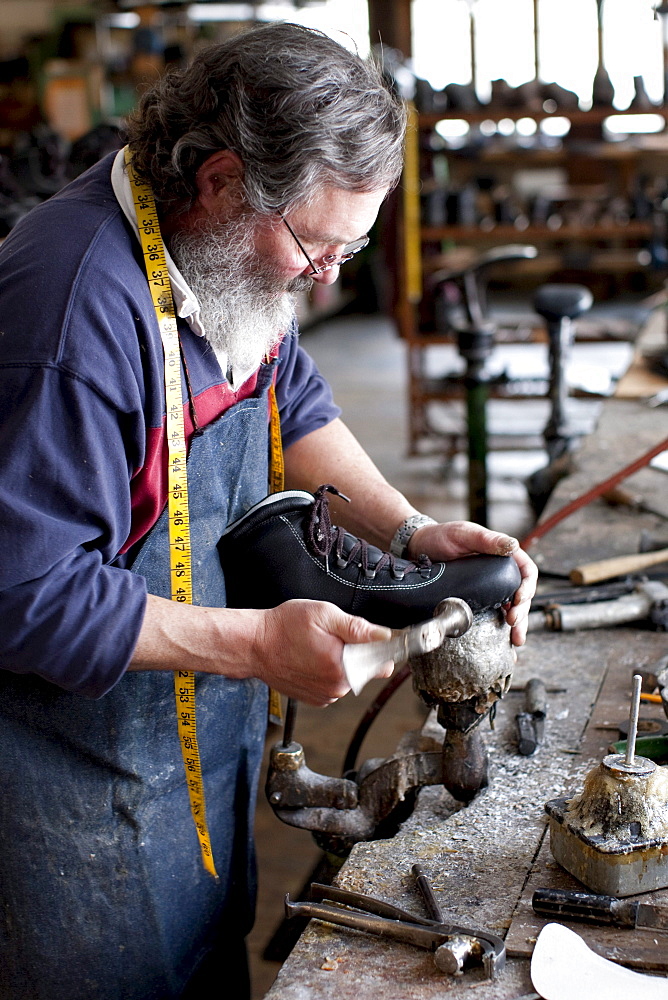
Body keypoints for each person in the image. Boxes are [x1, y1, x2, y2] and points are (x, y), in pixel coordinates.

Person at [0, 22, 537, 1000]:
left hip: (189, 731)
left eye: (351, 247)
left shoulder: (218, 259)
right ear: (216, 179)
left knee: (211, 957)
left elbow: (286, 395)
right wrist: (256, 646)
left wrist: (412, 532)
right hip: (75, 775)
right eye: (314, 244)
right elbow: (27, 592)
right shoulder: (72, 311)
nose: (327, 275)